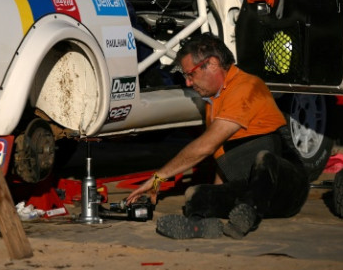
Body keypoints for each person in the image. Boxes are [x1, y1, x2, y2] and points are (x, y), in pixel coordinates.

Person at [125, 33, 309, 239]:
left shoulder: (247, 86)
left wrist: (157, 178)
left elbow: (206, 146)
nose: (187, 83)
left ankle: (247, 214)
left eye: (190, 74)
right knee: (194, 194)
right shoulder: (213, 101)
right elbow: (222, 160)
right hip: (249, 191)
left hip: (286, 188)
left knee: (264, 159)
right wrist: (210, 200)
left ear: (212, 64)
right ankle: (199, 226)